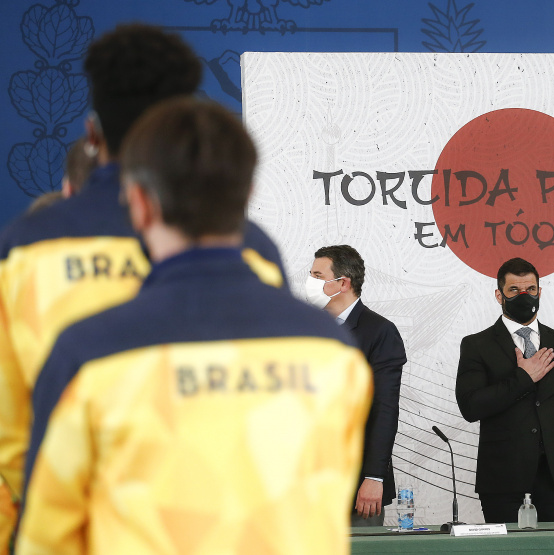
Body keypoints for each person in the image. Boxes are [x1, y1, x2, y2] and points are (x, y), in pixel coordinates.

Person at [17, 98, 372, 554]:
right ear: (246, 195)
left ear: (139, 204)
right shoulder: (334, 350)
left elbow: (47, 539)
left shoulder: (86, 352)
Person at [0, 24, 287, 547]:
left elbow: (11, 433)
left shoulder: (21, 250)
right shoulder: (250, 249)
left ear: (93, 133)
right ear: (182, 127)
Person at [455, 257, 554, 523]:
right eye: (514, 291)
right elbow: (470, 407)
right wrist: (523, 377)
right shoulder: (476, 345)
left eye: (530, 289)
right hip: (502, 479)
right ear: (499, 295)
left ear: (539, 292)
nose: (524, 296)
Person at [305, 245, 407, 526]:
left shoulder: (379, 332)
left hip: (355, 486)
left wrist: (374, 478)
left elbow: (384, 409)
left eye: (317, 275)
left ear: (343, 283)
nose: (309, 282)